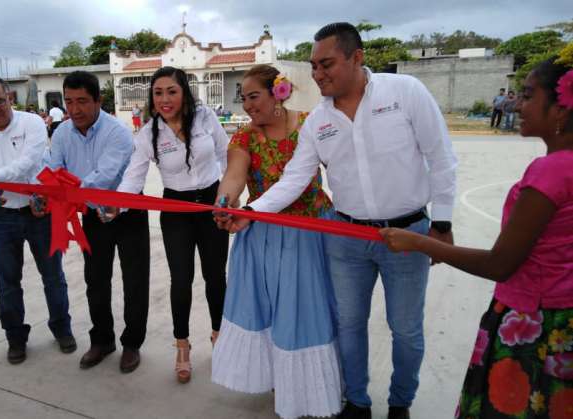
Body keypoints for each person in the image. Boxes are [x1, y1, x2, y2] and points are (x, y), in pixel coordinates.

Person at [225, 23, 458, 419]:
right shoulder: (319, 121)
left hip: (408, 232)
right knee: (348, 325)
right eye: (314, 66)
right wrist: (249, 212)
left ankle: (401, 402)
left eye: (327, 64)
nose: (317, 74)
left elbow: (441, 159)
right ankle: (358, 403)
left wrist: (442, 224)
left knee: (405, 329)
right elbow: (295, 179)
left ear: (356, 57)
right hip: (346, 235)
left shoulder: (405, 93)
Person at [381, 57, 573, 419]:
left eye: (529, 96)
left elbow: (501, 264)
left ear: (561, 108)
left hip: (532, 319)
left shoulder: (550, 171)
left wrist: (420, 241)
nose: (518, 104)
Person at [211, 65, 342, 419]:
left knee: (309, 310)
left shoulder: (311, 125)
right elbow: (234, 177)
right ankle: (281, 379)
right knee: (271, 311)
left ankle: (315, 388)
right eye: (245, 99)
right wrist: (225, 202)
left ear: (278, 93)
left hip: (312, 233)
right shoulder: (244, 138)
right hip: (263, 235)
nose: (248, 106)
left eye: (255, 97)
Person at [111, 66, 229, 383]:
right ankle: (182, 346)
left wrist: (229, 195)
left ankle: (220, 339)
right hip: (175, 209)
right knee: (182, 280)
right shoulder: (149, 133)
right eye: (158, 92)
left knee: (216, 277)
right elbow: (133, 177)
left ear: (184, 93)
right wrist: (116, 204)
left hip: (212, 204)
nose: (165, 99)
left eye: (172, 92)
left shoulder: (205, 117)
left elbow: (225, 153)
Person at [0, 75, 74, 365]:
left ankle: (62, 328)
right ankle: (15, 337)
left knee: (53, 277)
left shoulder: (32, 123)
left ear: (10, 96)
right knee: (7, 282)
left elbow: (28, 162)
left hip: (39, 212)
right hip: (1, 217)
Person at [48, 71, 150, 374]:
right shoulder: (62, 133)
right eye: (69, 101)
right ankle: (102, 340)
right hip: (92, 215)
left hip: (127, 212)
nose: (75, 109)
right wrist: (46, 189)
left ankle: (132, 344)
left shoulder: (117, 132)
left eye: (82, 101)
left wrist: (68, 193)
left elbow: (104, 177)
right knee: (96, 281)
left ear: (98, 101)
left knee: (134, 282)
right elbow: (53, 168)